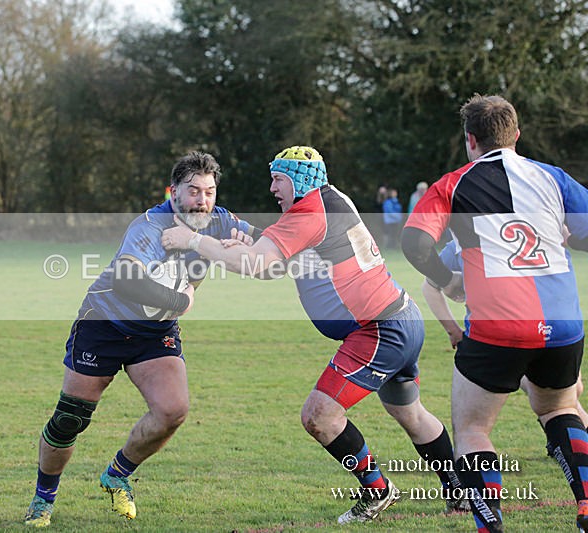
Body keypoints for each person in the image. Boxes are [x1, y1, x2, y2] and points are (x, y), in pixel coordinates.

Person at [161, 145, 465, 524]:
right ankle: (461, 492)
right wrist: (247, 246)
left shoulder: (308, 212)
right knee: (411, 413)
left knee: (319, 416)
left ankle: (377, 490)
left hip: (377, 330)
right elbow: (290, 260)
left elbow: (258, 266)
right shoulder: (331, 199)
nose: (272, 188)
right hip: (400, 319)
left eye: (278, 179)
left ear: (297, 181)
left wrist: (193, 241)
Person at [24, 151, 255, 527]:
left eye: (209, 191)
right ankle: (43, 499)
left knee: (172, 410)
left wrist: (280, 241)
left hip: (154, 333)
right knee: (70, 419)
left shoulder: (220, 220)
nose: (203, 200)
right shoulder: (149, 226)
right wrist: (181, 301)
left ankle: (117, 474)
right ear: (174, 191)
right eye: (194, 191)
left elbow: (267, 247)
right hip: (105, 325)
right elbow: (127, 280)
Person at [403, 94, 588, 532]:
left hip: (498, 325)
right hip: (562, 323)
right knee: (560, 408)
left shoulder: (452, 183)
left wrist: (448, 283)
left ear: (470, 140)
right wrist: (565, 239)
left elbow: (414, 244)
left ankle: (491, 526)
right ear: (517, 135)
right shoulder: (552, 177)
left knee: (472, 429)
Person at [421, 241, 588, 452]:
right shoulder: (461, 245)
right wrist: (453, 330)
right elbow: (430, 286)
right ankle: (563, 441)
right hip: (554, 329)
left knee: (473, 429)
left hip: (511, 334)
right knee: (562, 404)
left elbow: (428, 285)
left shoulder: (462, 242)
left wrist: (453, 331)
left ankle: (562, 440)